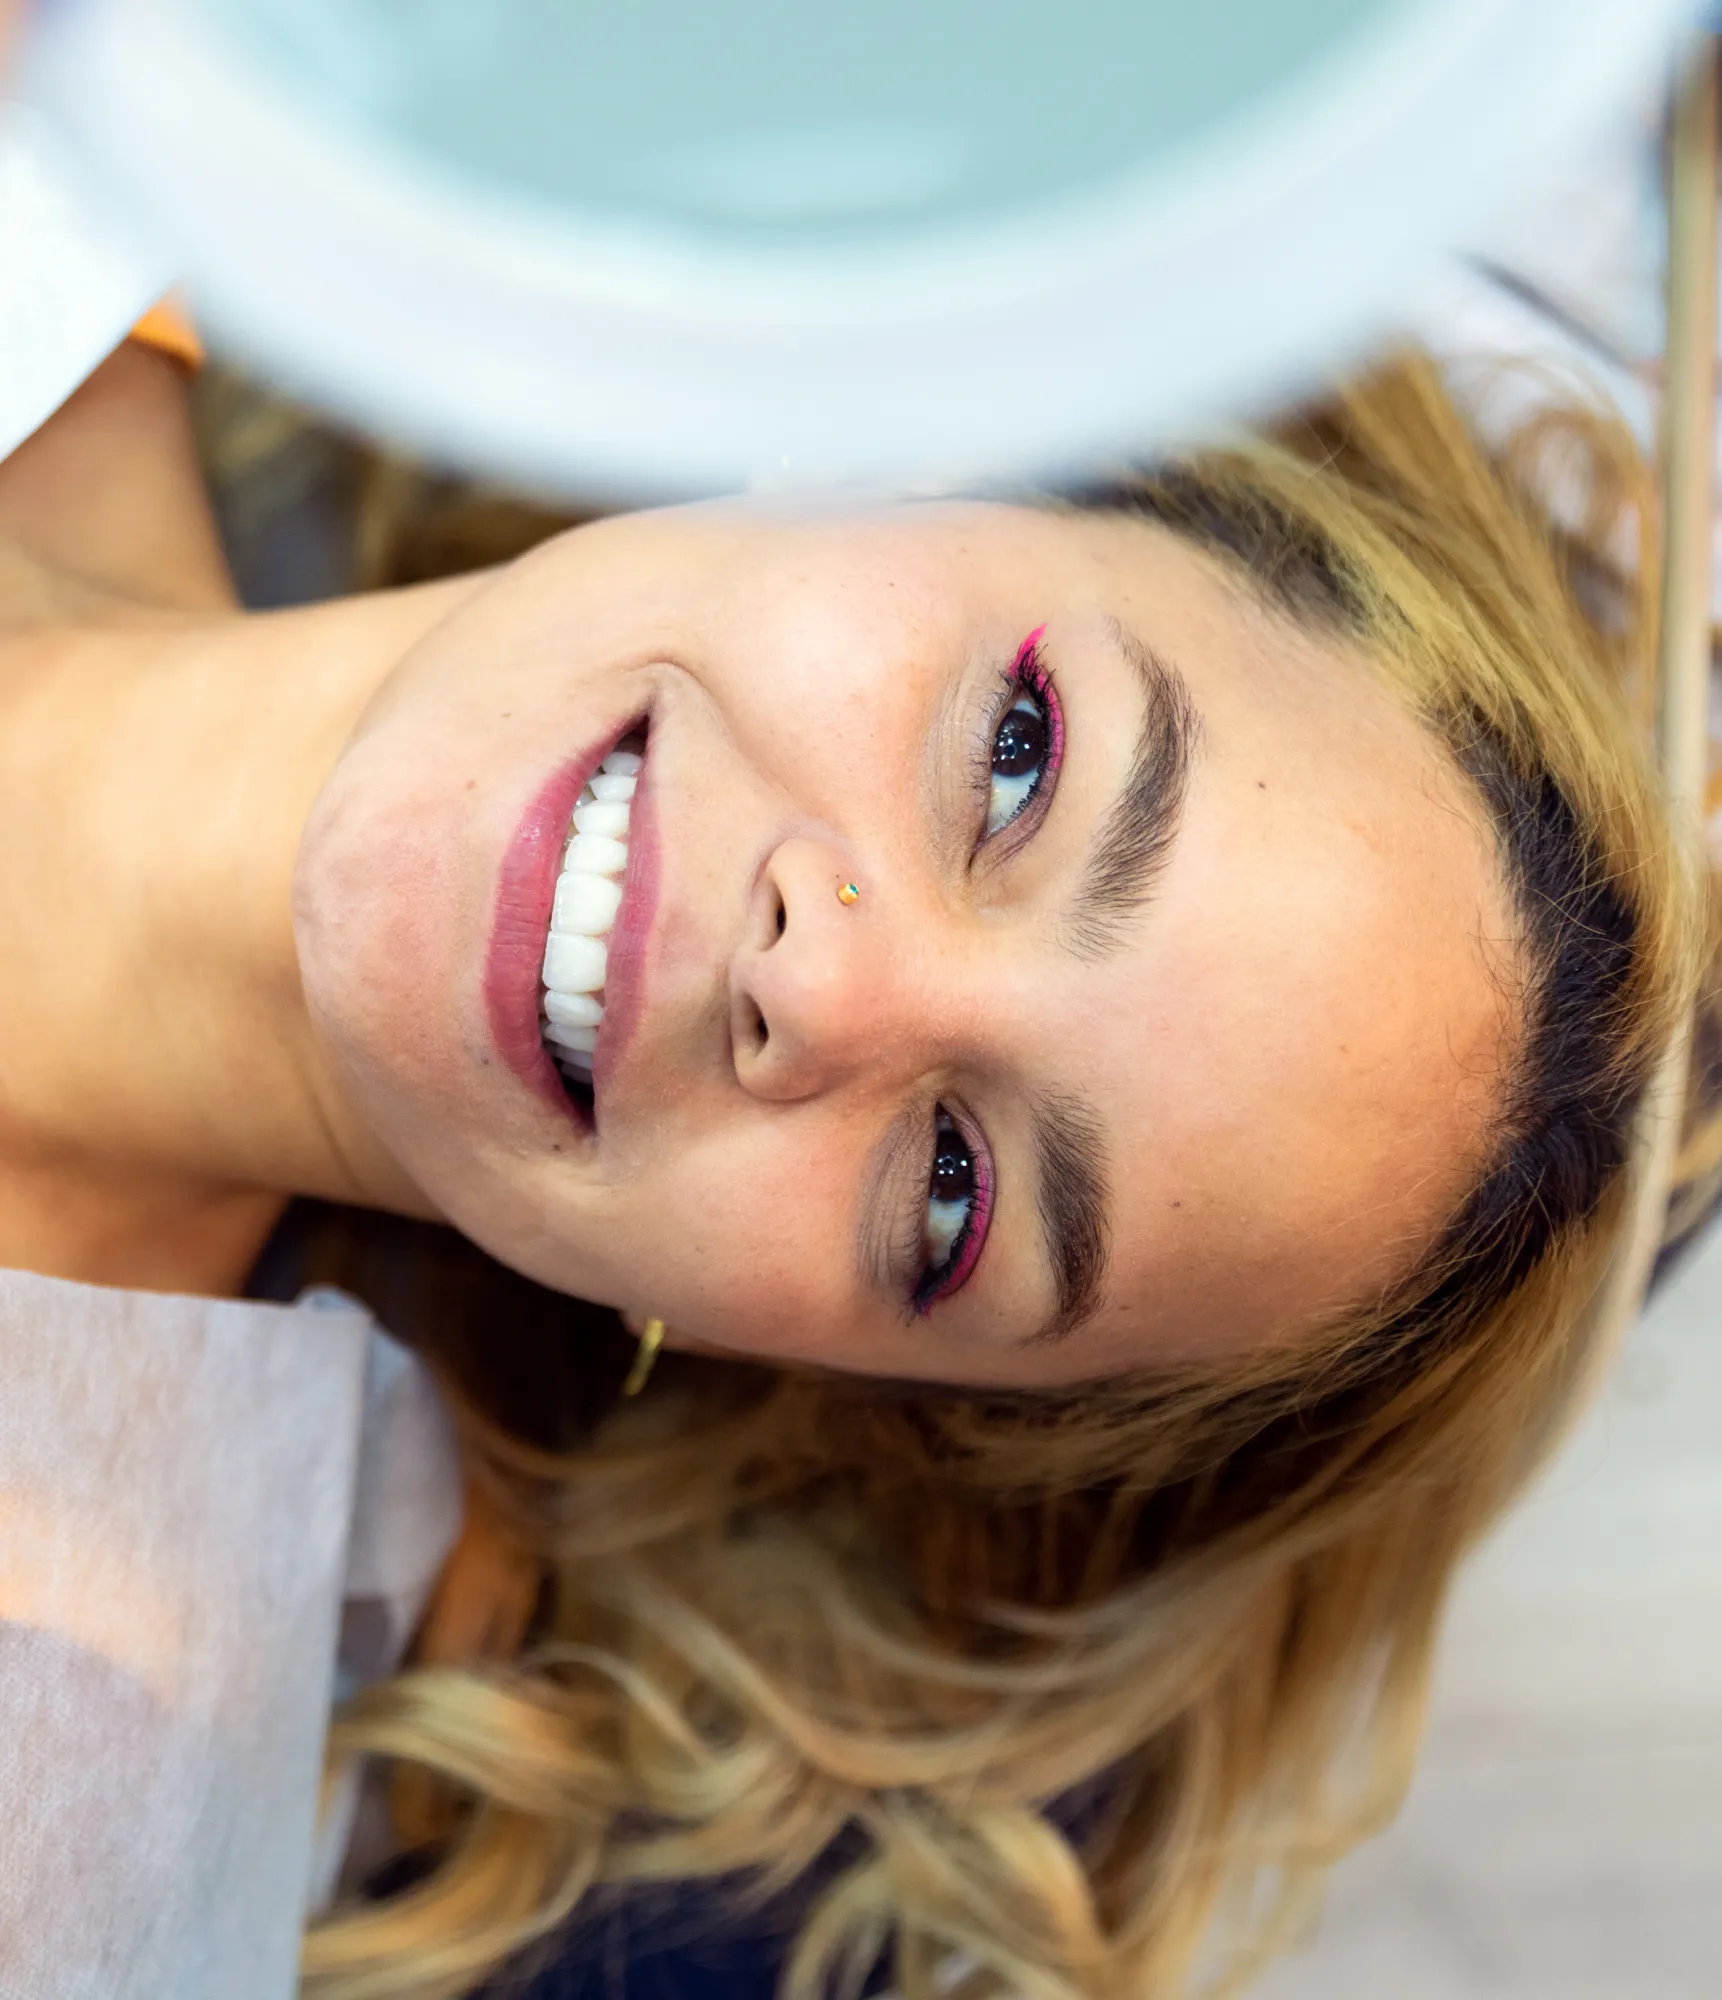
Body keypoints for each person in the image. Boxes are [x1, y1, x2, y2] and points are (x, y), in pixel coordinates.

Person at [1, 284, 1713, 2000]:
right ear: (939, 453)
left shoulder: (60, 1815)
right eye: (1020, 762)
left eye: (954, 1195)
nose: (822, 984)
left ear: (814, 1366)